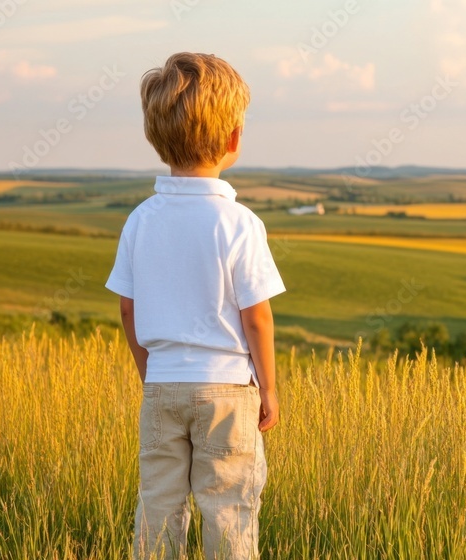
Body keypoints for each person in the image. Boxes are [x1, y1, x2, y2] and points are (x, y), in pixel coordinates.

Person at [105, 52, 286, 560]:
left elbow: (127, 309)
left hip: (162, 385)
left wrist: (151, 372)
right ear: (233, 140)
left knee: (158, 507)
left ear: (155, 137)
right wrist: (268, 387)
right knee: (228, 507)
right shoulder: (239, 222)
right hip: (229, 391)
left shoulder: (140, 219)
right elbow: (257, 316)